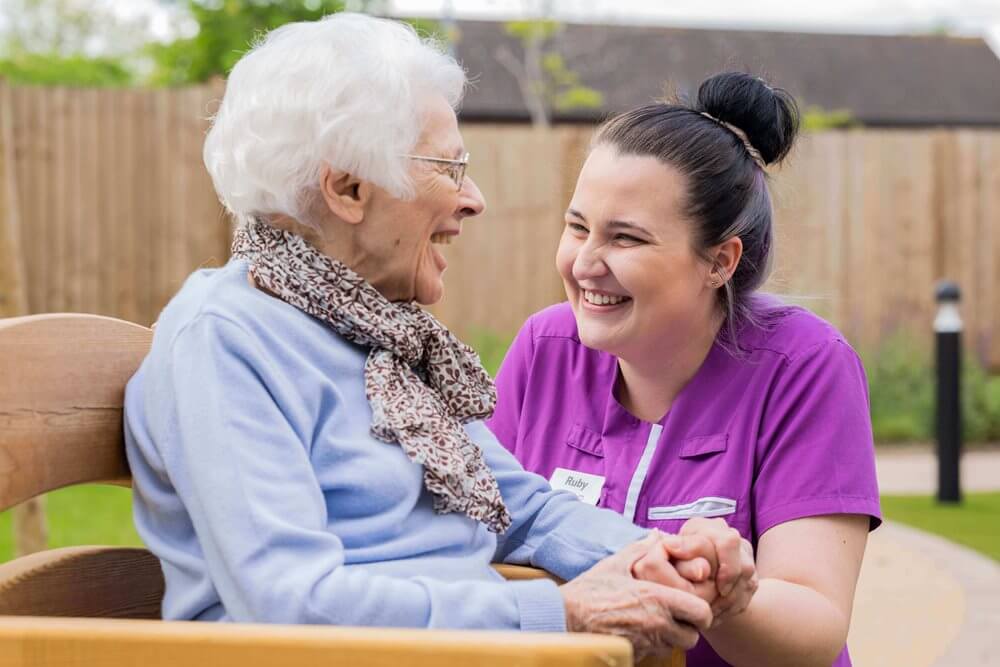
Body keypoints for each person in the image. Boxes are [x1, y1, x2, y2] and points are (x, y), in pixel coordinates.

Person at [123, 13, 757, 660]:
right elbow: (291, 600)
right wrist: (558, 612)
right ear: (348, 188)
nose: (473, 199)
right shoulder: (226, 340)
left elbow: (521, 509)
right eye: (447, 168)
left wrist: (660, 554)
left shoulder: (379, 337)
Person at [487, 72, 881, 667]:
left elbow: (815, 623)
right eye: (577, 227)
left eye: (626, 238)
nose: (585, 262)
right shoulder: (544, 348)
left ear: (719, 261)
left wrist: (725, 594)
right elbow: (472, 538)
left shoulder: (802, 365)